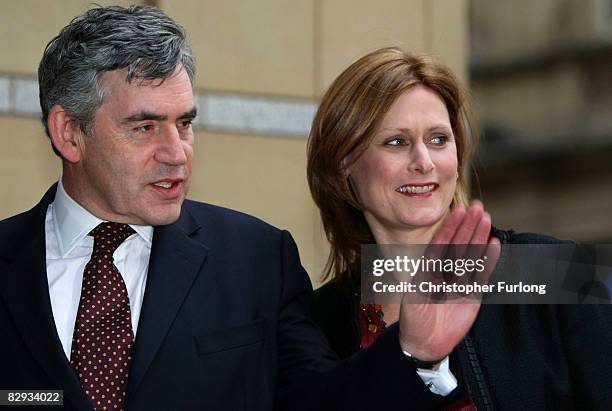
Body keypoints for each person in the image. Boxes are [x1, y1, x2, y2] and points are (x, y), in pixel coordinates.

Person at [0, 7, 493, 411]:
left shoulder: (257, 260)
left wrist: (413, 354)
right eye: (144, 127)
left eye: (186, 124)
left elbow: (320, 405)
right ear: (69, 133)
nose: (177, 152)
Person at [308, 47, 612, 409]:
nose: (423, 162)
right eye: (396, 142)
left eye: (438, 139)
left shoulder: (559, 269)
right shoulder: (319, 321)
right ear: (345, 161)